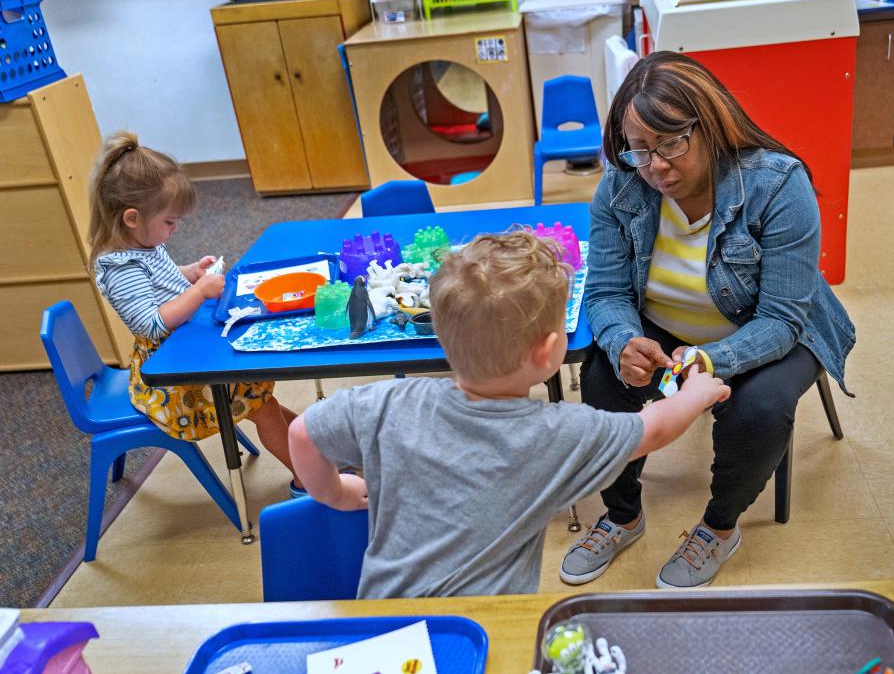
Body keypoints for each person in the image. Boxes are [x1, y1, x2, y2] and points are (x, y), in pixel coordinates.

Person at [288, 232, 730, 598]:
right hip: (487, 633)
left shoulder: (386, 402)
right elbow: (653, 430)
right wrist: (695, 393)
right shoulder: (557, 433)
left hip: (384, 625)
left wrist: (336, 494)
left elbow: (302, 432)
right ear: (547, 352)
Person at [559, 51, 856, 590]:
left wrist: (709, 361)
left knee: (758, 408)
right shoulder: (622, 185)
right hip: (668, 328)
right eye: (640, 149)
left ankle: (719, 528)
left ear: (711, 124)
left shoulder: (777, 184)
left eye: (671, 143)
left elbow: (782, 317)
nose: (656, 167)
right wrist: (625, 339)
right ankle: (623, 515)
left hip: (768, 327)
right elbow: (605, 291)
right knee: (602, 376)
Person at [88, 131, 305, 497]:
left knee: (265, 403)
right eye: (170, 222)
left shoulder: (143, 242)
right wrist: (198, 292)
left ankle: (316, 455)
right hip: (173, 379)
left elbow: (162, 283)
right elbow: (151, 322)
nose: (174, 230)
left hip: (185, 353)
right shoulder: (120, 268)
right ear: (131, 218)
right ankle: (310, 481)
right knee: (265, 408)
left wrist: (189, 273)